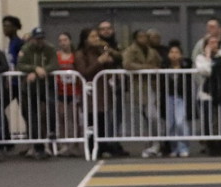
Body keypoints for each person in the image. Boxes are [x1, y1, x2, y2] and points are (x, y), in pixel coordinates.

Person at [76, 27, 127, 158]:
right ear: (85, 39)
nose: (96, 39)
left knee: (103, 120)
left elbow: (115, 59)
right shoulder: (80, 54)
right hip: (90, 92)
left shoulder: (100, 50)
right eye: (93, 36)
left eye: (97, 36)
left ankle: (103, 146)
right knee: (91, 120)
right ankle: (92, 147)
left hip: (103, 90)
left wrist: (107, 54)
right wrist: (99, 62)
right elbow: (84, 72)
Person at [16, 27, 58, 159]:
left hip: (46, 86)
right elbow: (20, 65)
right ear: (33, 39)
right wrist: (34, 69)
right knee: (32, 117)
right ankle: (37, 147)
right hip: (29, 88)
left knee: (50, 110)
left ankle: (51, 134)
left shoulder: (50, 48)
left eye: (42, 38)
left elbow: (54, 64)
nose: (40, 41)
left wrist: (43, 70)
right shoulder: (26, 49)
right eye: (37, 38)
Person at [122, 28, 165, 158]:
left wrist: (154, 69)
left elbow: (159, 63)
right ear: (135, 38)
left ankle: (156, 143)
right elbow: (127, 64)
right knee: (146, 117)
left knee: (153, 116)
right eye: (140, 37)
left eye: (145, 36)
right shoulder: (130, 50)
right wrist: (146, 68)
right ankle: (151, 143)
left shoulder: (152, 51)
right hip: (139, 87)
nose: (144, 39)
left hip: (152, 86)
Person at [53, 31, 82, 155]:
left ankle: (75, 144)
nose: (63, 43)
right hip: (61, 91)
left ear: (70, 41)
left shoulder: (76, 55)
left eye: (65, 40)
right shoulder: (56, 56)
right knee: (61, 117)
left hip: (75, 91)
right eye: (60, 40)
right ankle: (64, 143)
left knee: (75, 118)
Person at [162, 41, 192, 157]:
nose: (174, 54)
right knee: (171, 123)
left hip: (181, 97)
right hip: (168, 96)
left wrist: (181, 63)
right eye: (172, 52)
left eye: (177, 52)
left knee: (180, 122)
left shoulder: (186, 65)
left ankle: (183, 146)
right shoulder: (164, 65)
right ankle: (174, 148)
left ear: (181, 54)